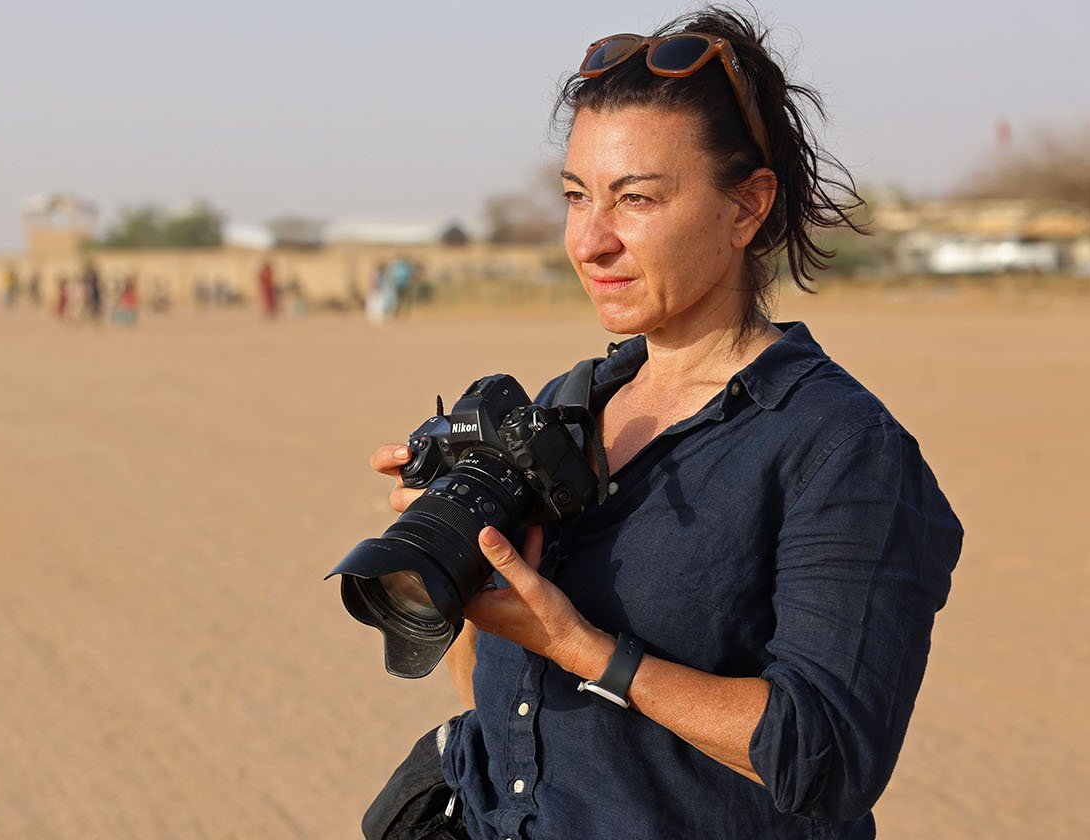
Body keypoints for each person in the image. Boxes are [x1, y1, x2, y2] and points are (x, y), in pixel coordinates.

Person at [362, 9, 961, 839]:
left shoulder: (840, 450)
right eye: (576, 196)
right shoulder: (561, 408)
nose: (590, 241)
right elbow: (492, 690)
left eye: (636, 199)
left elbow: (828, 757)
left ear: (747, 207)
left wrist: (589, 650)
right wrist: (453, 553)